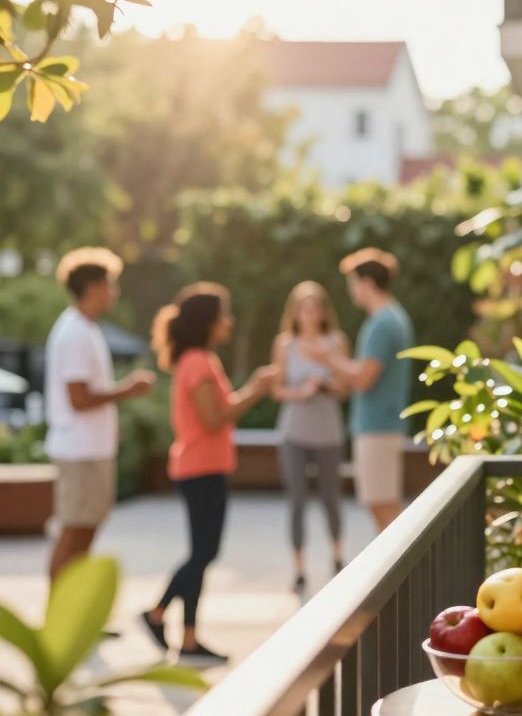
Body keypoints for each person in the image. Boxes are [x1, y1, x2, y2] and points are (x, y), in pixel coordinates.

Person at [141, 283, 278, 664]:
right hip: (200, 468)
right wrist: (257, 389)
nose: (229, 322)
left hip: (204, 466)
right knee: (204, 552)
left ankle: (187, 638)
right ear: (208, 321)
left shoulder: (198, 360)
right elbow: (215, 418)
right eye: (224, 315)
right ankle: (156, 614)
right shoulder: (198, 362)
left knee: (201, 552)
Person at [44, 247, 155, 583]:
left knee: (85, 532)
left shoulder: (86, 329)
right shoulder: (75, 332)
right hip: (78, 450)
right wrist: (129, 389)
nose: (115, 292)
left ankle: (75, 616)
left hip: (89, 449)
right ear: (93, 287)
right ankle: (57, 622)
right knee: (74, 532)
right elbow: (78, 399)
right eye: (110, 284)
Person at [306, 248, 413, 532]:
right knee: (380, 501)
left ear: (366, 283)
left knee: (381, 503)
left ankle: (402, 574)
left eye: (353, 283)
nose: (351, 291)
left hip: (378, 427)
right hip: (380, 425)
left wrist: (327, 357)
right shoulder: (389, 318)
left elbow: (364, 378)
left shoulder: (384, 322)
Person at [272, 281, 350, 591]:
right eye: (304, 308)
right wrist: (300, 392)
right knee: (297, 500)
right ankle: (300, 568)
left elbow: (346, 386)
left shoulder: (336, 342)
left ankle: (336, 554)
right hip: (294, 431)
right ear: (296, 312)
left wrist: (326, 385)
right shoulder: (284, 345)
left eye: (315, 307)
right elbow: (276, 388)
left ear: (323, 311)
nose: (310, 313)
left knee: (331, 497)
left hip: (328, 432)